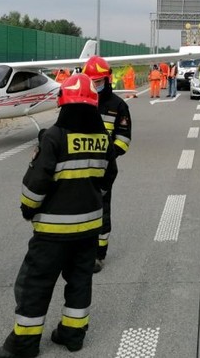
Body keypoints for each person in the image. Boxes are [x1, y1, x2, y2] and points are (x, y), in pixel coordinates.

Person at [0, 73, 115, 358]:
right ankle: (72, 335)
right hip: (89, 229)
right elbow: (108, 177)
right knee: (80, 281)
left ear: (63, 103)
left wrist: (27, 209)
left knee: (35, 285)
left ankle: (23, 345)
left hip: (53, 233)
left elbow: (36, 183)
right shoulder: (102, 138)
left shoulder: (55, 136)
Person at [83, 56, 132, 272]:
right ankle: (79, 251)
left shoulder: (117, 106)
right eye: (92, 81)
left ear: (108, 79)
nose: (95, 85)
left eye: (99, 81)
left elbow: (123, 138)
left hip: (103, 169)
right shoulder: (81, 101)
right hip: (78, 168)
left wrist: (108, 157)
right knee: (77, 210)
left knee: (101, 212)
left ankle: (98, 255)